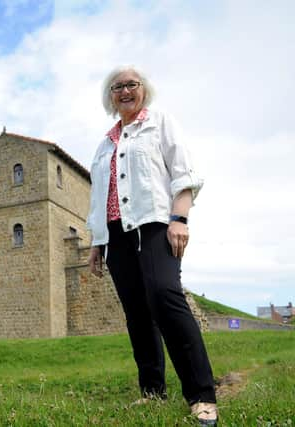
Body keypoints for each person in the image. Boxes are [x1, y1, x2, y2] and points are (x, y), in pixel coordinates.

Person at [87, 66, 218, 426]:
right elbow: (99, 198)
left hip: (155, 224)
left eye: (132, 84)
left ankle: (202, 394)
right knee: (137, 313)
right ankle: (152, 391)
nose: (125, 91)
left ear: (144, 89)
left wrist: (180, 219)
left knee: (165, 296)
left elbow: (184, 173)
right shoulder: (105, 143)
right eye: (118, 87)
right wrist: (97, 243)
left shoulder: (160, 122)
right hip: (115, 234)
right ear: (109, 95)